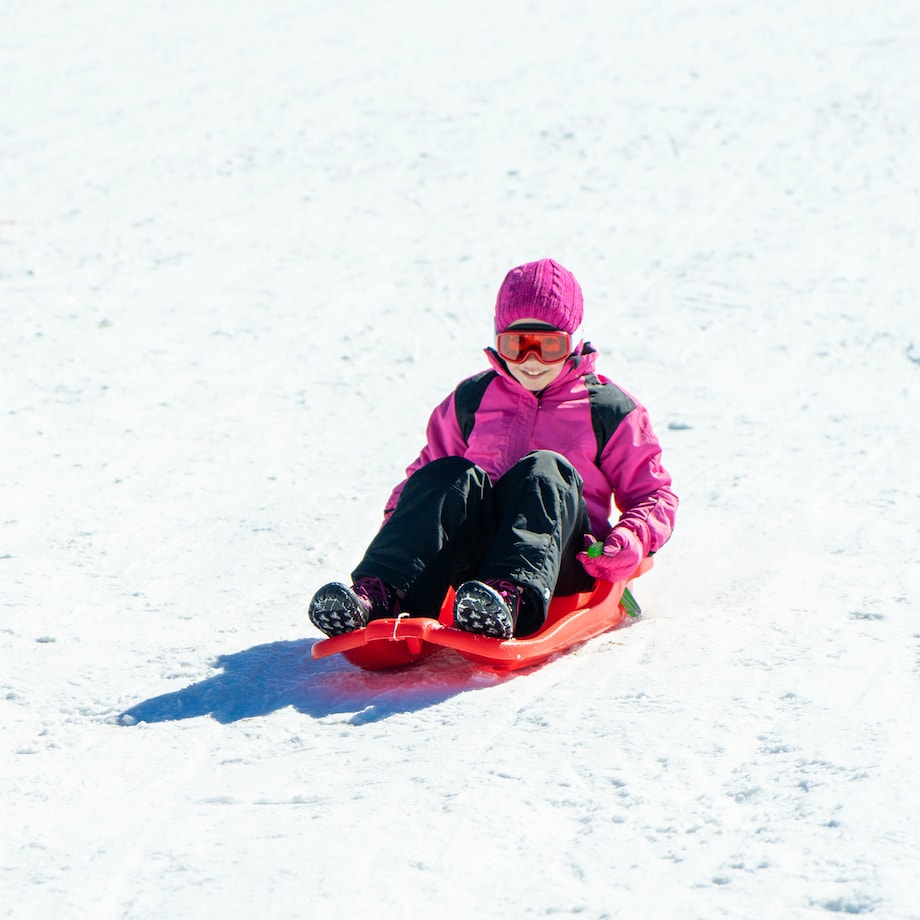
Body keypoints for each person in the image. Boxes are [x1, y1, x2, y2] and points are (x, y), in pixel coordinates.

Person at [309, 258, 678, 640]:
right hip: (472, 565)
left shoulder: (607, 408)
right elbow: (423, 481)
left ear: (574, 341)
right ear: (499, 342)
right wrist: (401, 525)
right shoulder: (472, 399)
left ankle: (510, 594)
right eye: (516, 346)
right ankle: (382, 594)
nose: (531, 362)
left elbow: (653, 493)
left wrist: (631, 537)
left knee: (545, 468)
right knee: (449, 474)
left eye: (549, 346)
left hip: (560, 562)